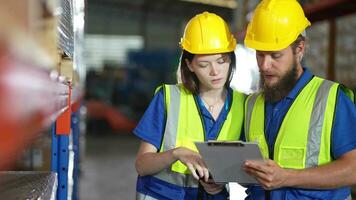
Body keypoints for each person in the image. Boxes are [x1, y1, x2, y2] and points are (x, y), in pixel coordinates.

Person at [241, 0, 356, 199]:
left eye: (275, 55)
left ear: (299, 49)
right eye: (260, 54)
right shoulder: (252, 104)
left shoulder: (331, 99)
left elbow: (353, 169)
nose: (265, 65)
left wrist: (287, 177)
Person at [134, 11, 246, 199]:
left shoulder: (244, 105)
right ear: (190, 65)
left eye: (221, 61)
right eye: (204, 65)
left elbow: (247, 170)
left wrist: (220, 182)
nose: (215, 71)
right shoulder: (168, 98)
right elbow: (142, 165)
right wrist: (177, 154)